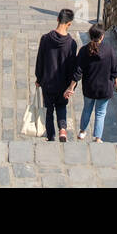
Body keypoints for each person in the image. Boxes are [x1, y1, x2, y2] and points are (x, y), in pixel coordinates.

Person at [67, 24, 117, 143]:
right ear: (102, 36)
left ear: (90, 36)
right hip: (105, 88)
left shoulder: (84, 50)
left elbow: (78, 71)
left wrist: (71, 87)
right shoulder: (109, 50)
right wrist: (116, 84)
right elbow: (114, 70)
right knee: (100, 113)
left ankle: (82, 131)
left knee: (87, 109)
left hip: (89, 87)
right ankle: (97, 137)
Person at [35, 9, 78, 142]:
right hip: (63, 83)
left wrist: (39, 78)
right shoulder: (72, 44)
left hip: (48, 82)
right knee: (61, 106)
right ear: (69, 24)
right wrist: (71, 87)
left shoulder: (46, 39)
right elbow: (73, 67)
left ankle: (51, 136)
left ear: (57, 19)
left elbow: (40, 60)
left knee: (48, 110)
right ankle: (63, 129)